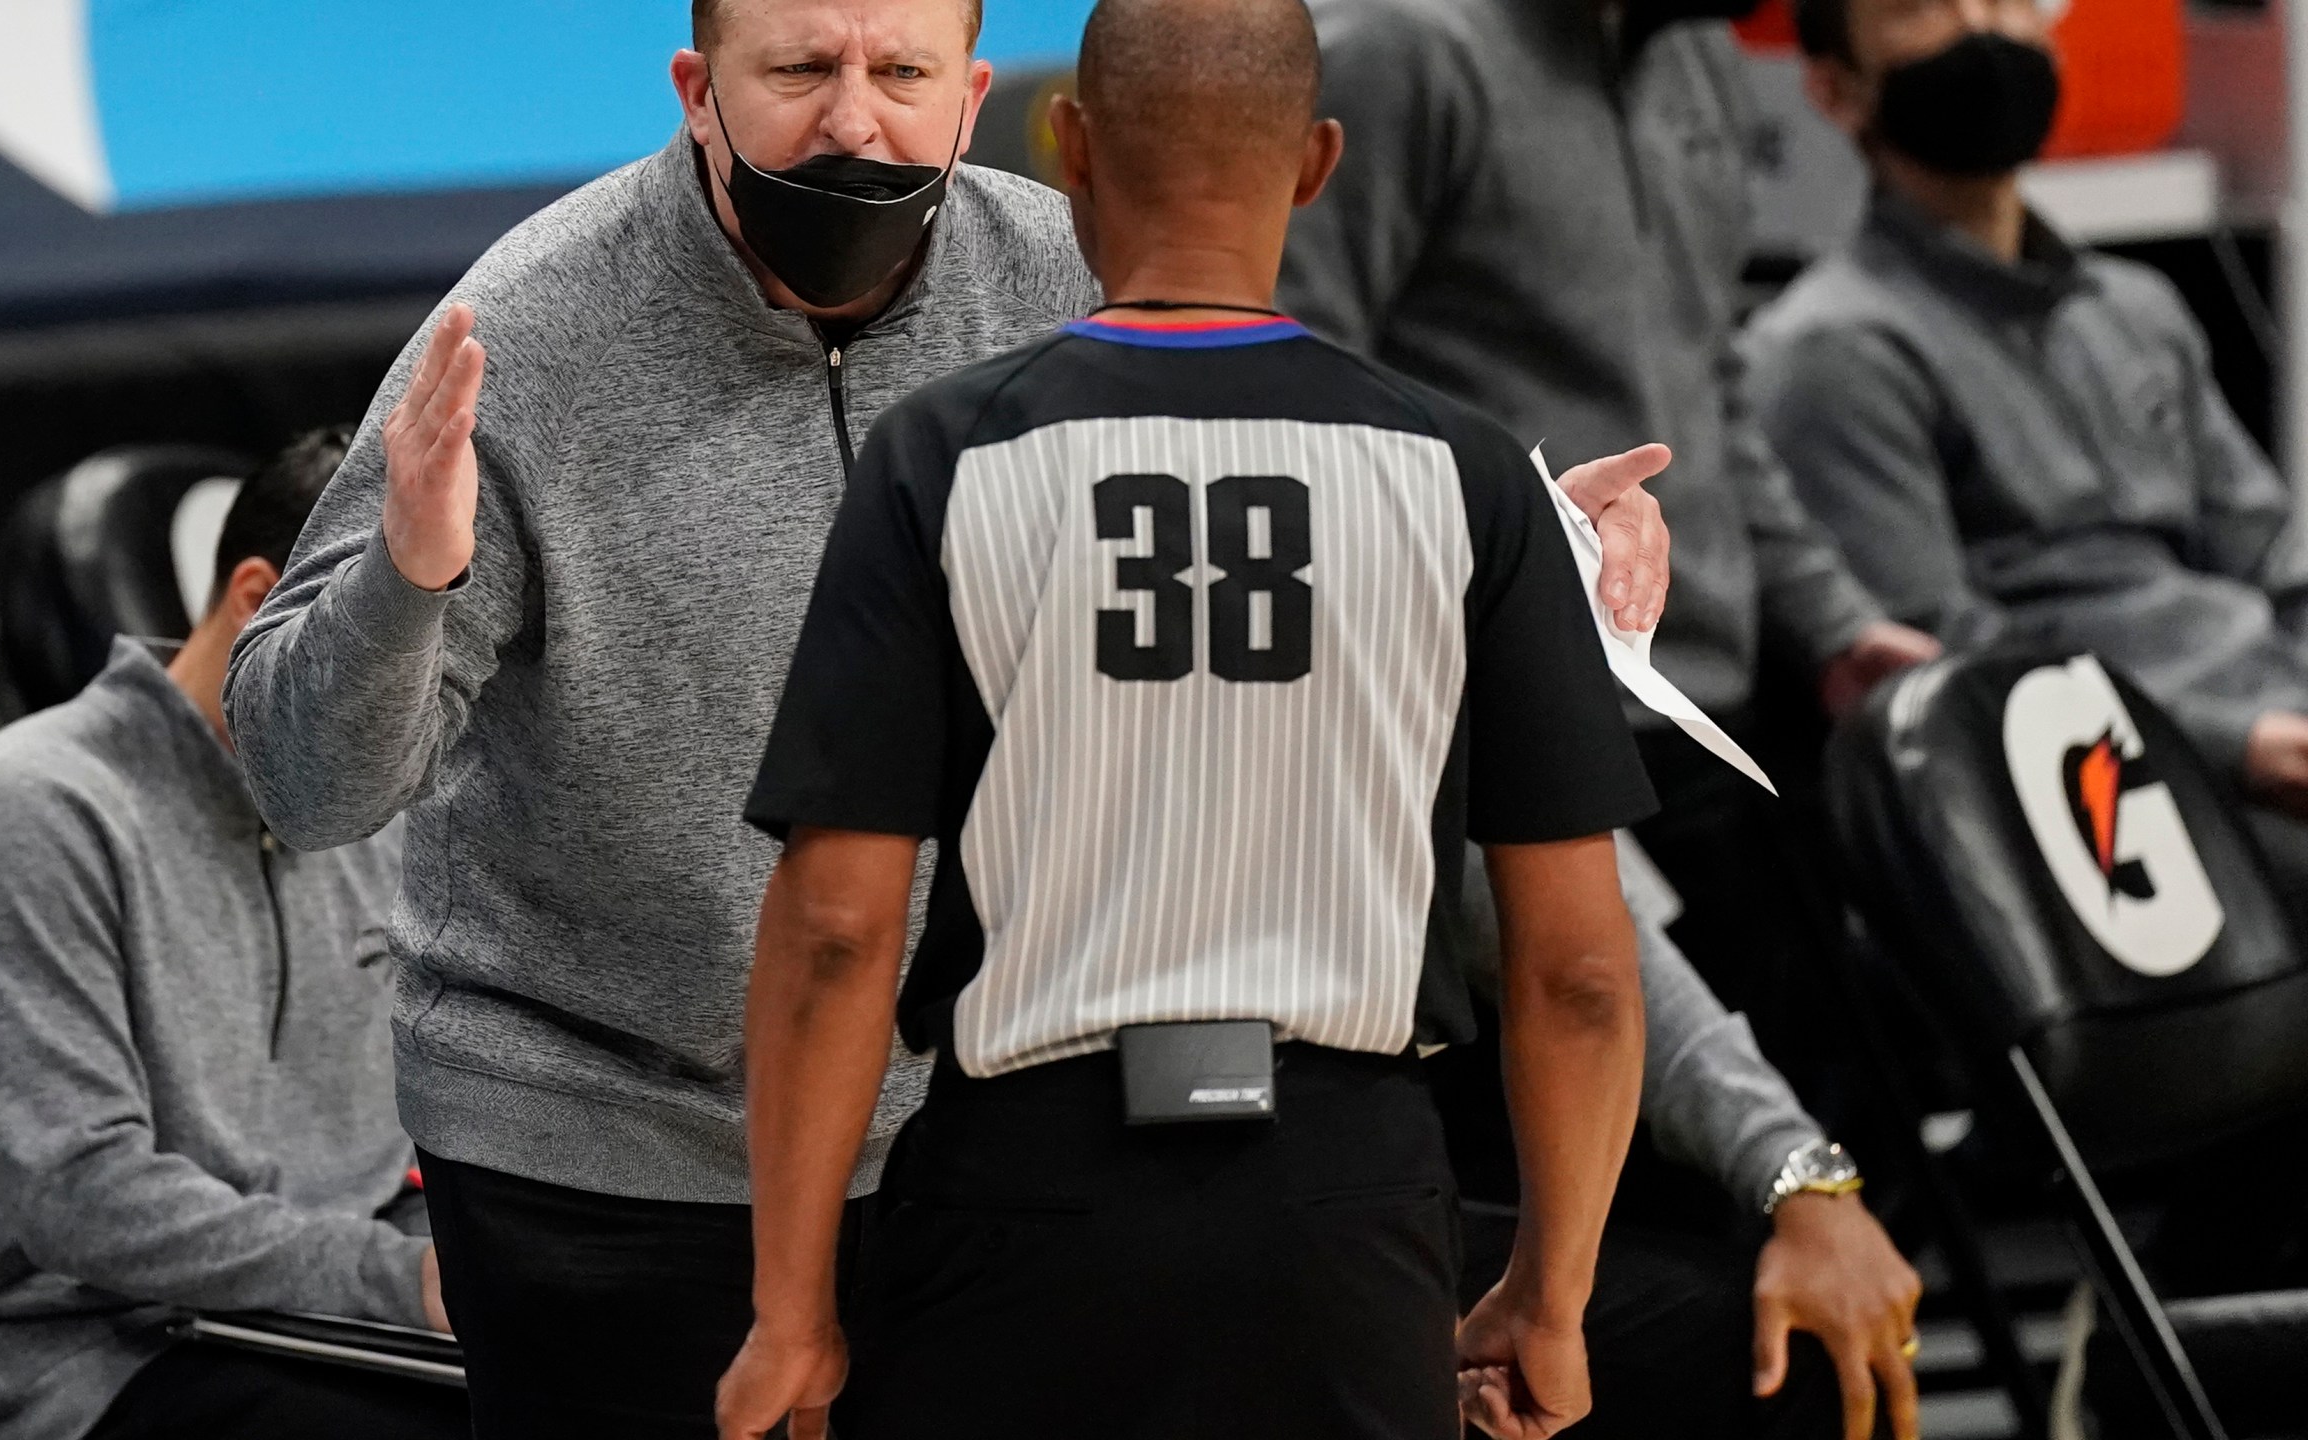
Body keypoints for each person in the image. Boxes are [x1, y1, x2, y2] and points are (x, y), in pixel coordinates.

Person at [223, 0, 1673, 1431]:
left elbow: (1278, 552)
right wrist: (410, 580)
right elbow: (306, 782)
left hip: (982, 1162)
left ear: (978, 96)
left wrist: (1541, 559)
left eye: (899, 70)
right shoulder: (525, 331)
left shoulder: (1080, 279)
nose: (854, 119)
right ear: (694, 85)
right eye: (798, 68)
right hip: (603, 1165)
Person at [715, 1, 1655, 1435]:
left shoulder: (944, 457)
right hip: (1347, 1212)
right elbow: (1580, 972)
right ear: (1320, 163)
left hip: (1025, 1201)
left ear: (1070, 148)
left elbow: (840, 928)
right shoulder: (1469, 480)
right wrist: (1552, 1293)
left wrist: (792, 1313)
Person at [1275, 0, 1944, 1118]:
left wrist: (1831, 626)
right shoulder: (1403, 55)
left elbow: (1705, 379)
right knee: (1615, 1221)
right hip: (1505, 747)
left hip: (1705, 725)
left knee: (1792, 1182)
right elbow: (1300, 393)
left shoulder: (1698, 56)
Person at [0, 429, 465, 1440]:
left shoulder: (373, 809)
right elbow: (84, 1198)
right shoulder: (29, 810)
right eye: (396, 649)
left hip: (329, 1317)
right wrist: (401, 1278)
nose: (424, 700)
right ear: (257, 602)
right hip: (104, 1363)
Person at [1746, 0, 2308, 872]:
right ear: (1834, 88)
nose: (1983, 27)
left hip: (2272, 719)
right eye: (1920, 8)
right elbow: (1942, 671)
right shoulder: (1834, 351)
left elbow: (2271, 552)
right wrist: (2238, 743)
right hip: (2115, 792)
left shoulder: (2134, 309)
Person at [1449, 837, 1923, 1440]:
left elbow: (1587, 969)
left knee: (1815, 1336)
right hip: (1325, 1196)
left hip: (1392, 1196)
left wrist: (1807, 1179)